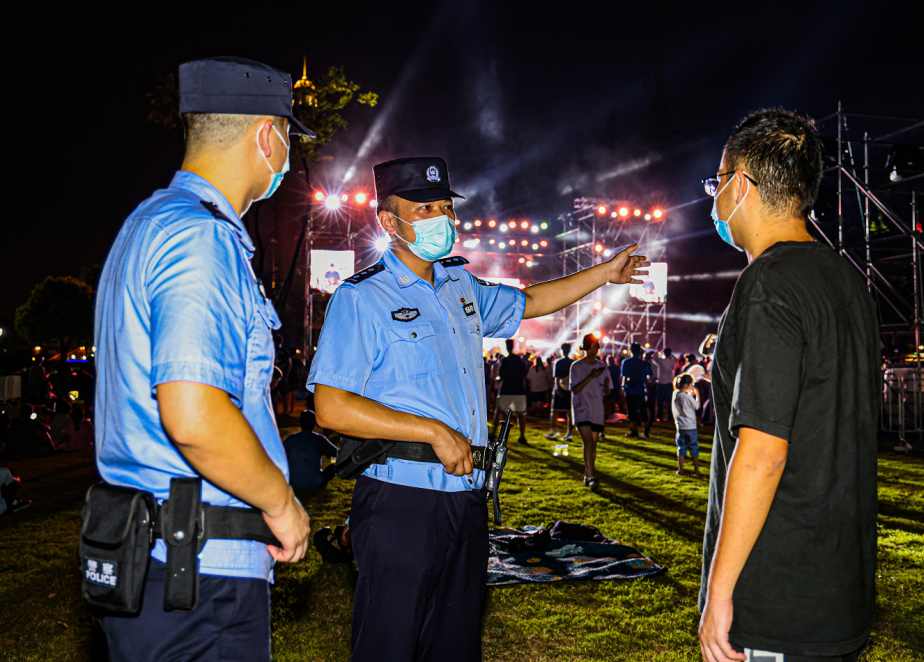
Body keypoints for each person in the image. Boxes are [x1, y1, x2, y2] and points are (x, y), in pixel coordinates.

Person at [308, 156, 648, 661]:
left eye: (445, 207)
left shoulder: (459, 287)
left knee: (456, 644)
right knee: (389, 644)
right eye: (424, 208)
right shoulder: (362, 298)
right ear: (389, 220)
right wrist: (432, 431)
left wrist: (605, 274)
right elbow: (330, 407)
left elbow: (531, 302)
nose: (440, 218)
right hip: (400, 499)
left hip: (465, 501)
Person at [94, 57, 312, 661]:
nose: (288, 157)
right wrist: (280, 502)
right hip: (197, 580)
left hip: (152, 561)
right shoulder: (199, 238)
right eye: (288, 138)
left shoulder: (146, 225)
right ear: (267, 136)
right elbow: (194, 415)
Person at [697, 109, 880, 662]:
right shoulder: (847, 279)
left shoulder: (768, 284)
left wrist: (720, 592)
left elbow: (763, 452)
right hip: (839, 590)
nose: (714, 197)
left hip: (777, 600)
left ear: (741, 184)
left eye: (717, 180)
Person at [569, 334, 611, 491]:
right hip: (581, 408)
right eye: (591, 346)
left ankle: (588, 476)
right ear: (586, 347)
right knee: (588, 442)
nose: (594, 349)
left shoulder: (603, 367)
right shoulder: (577, 366)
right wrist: (591, 376)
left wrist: (606, 385)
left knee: (593, 445)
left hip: (596, 409)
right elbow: (575, 389)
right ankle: (591, 477)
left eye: (596, 346)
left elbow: (607, 392)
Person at [283, 410, 339, 489]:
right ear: (315, 425)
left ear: (300, 423)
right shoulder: (319, 440)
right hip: (315, 482)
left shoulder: (291, 439)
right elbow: (336, 453)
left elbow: (280, 454)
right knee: (335, 466)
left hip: (292, 481)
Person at [494, 339, 529, 445]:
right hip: (519, 390)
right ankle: (522, 436)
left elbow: (502, 375)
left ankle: (493, 433)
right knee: (520, 414)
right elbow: (524, 374)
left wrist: (499, 379)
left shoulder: (505, 360)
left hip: (506, 390)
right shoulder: (519, 360)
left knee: (499, 412)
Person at [672, 374, 701, 476]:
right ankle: (696, 469)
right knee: (693, 447)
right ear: (686, 385)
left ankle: (681, 469)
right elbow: (697, 406)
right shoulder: (687, 397)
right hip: (691, 426)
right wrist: (697, 394)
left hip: (680, 426)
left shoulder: (676, 394)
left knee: (681, 447)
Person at [621, 343, 650, 438]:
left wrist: (623, 387)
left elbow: (624, 376)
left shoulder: (626, 362)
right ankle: (646, 431)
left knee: (632, 411)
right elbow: (646, 377)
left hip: (630, 389)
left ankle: (634, 430)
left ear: (631, 351)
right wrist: (647, 389)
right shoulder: (643, 363)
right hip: (641, 389)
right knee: (643, 411)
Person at [546, 343, 574, 441]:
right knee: (570, 413)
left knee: (554, 412)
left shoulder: (558, 362)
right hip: (570, 390)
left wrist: (558, 389)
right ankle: (569, 433)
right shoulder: (572, 363)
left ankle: (554, 432)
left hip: (560, 389)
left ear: (561, 350)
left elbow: (557, 377)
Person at [653, 348, 677, 421]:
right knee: (670, 401)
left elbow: (653, 358)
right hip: (669, 383)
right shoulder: (672, 361)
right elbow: (676, 359)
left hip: (660, 383)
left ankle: (660, 416)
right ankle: (670, 416)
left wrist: (657, 352)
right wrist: (670, 354)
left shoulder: (660, 361)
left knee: (660, 401)